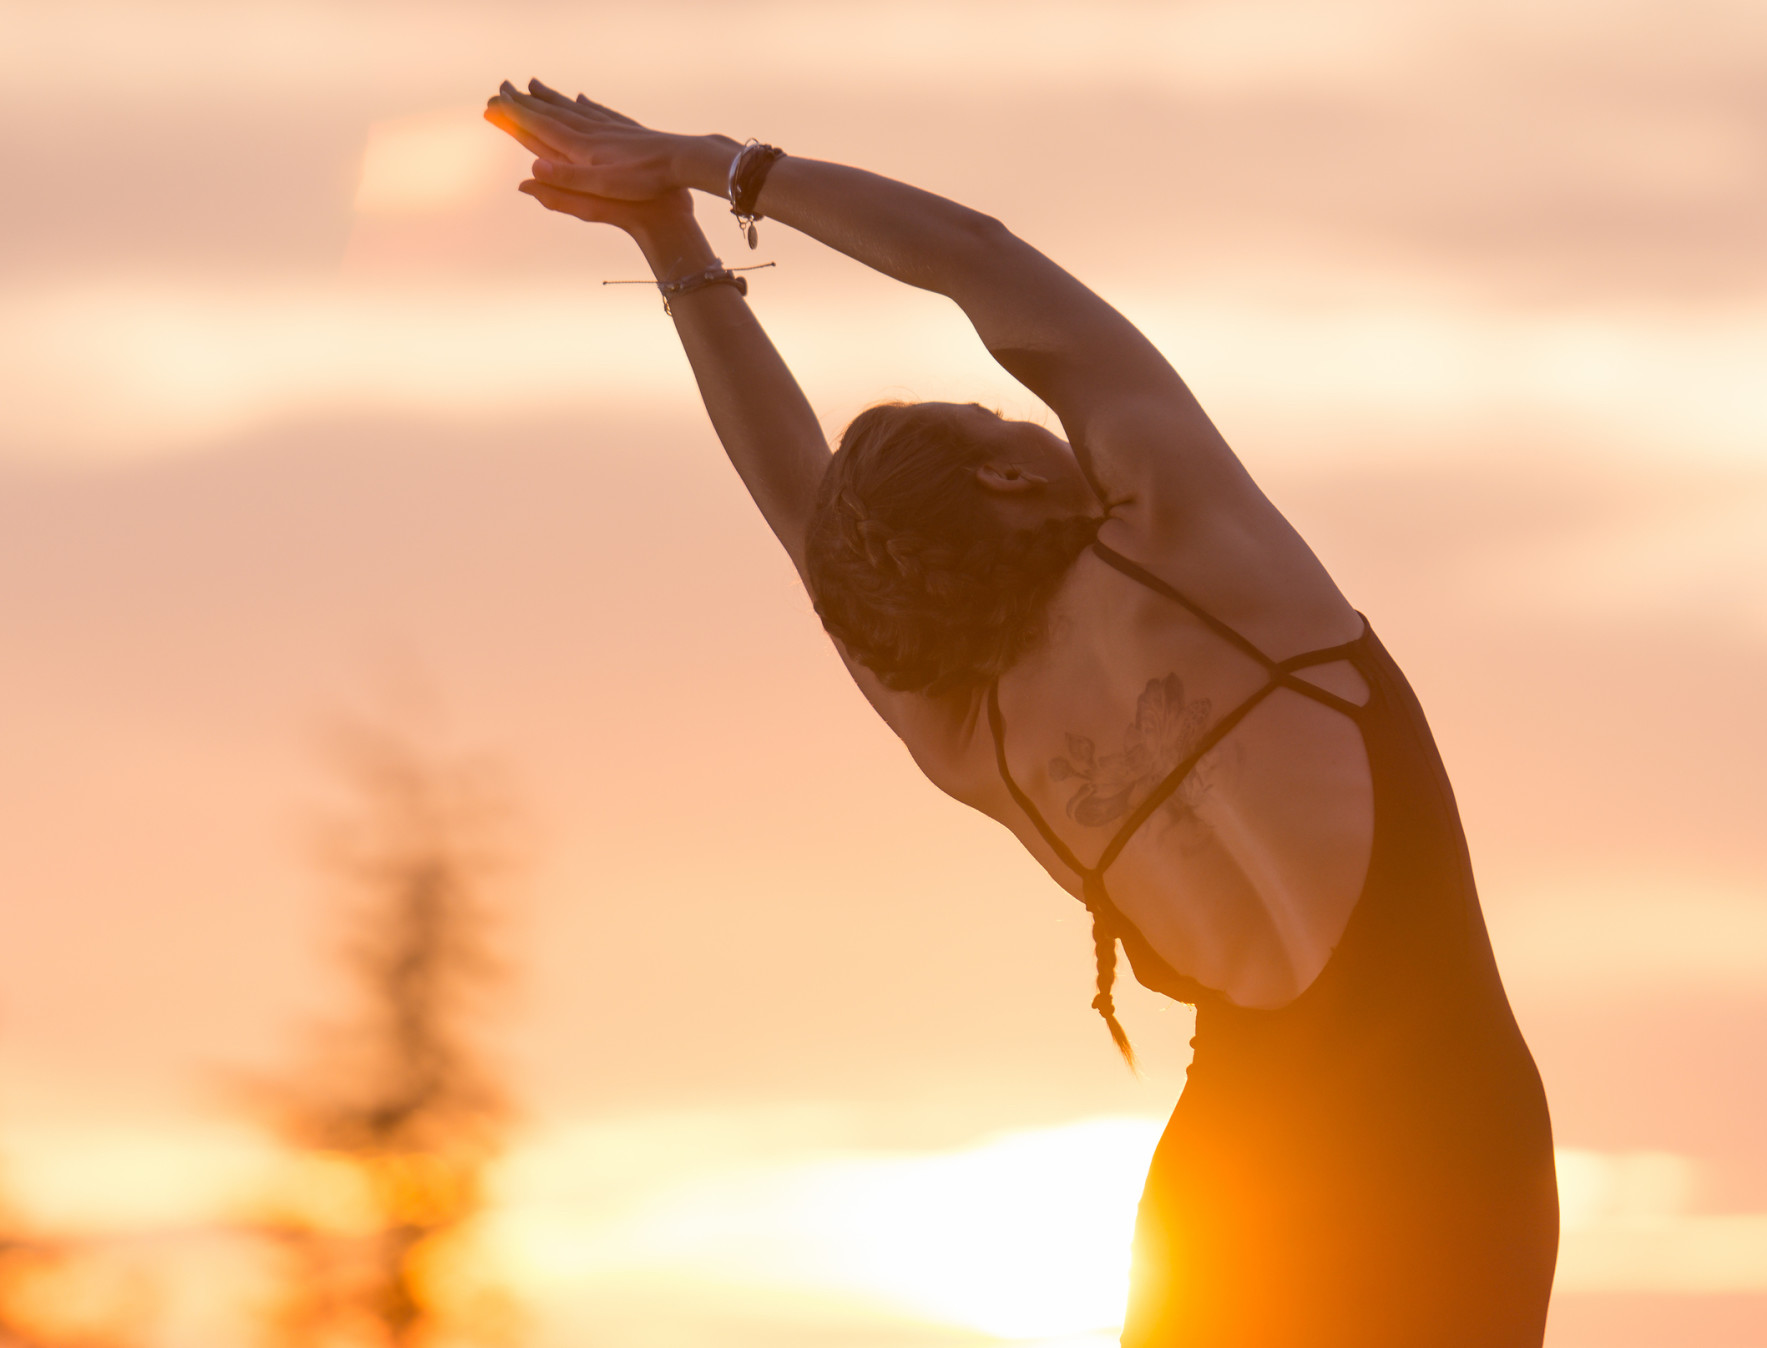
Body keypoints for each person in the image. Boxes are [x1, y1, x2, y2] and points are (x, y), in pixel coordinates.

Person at [485, 79, 1559, 1347]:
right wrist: (717, 165)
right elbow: (974, 259)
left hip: (1225, 1203)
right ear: (1000, 471)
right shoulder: (1187, 544)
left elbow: (797, 511)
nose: (1019, 419)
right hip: (1444, 1158)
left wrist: (669, 250)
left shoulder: (970, 734)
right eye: (994, 415)